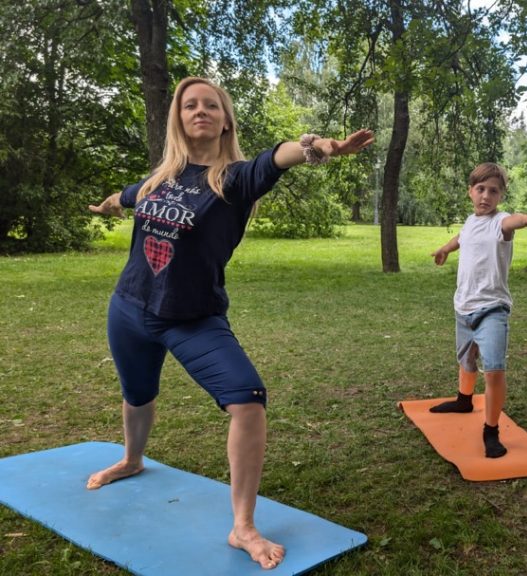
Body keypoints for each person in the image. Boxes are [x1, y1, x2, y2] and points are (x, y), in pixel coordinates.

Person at [86, 77, 373, 569]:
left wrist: (318, 147)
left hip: (192, 319)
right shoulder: (160, 180)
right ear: (178, 118)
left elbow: (279, 155)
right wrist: (109, 203)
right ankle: (132, 460)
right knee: (137, 394)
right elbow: (127, 196)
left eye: (211, 105)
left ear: (225, 119)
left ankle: (242, 527)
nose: (200, 110)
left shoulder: (235, 179)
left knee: (247, 398)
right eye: (190, 105)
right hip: (130, 309)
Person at [428, 163, 527, 458]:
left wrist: (526, 219)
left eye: (493, 191)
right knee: (466, 361)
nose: (485, 196)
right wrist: (444, 248)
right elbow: (461, 238)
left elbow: (512, 222)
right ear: (470, 191)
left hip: (493, 308)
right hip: (463, 307)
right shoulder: (470, 222)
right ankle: (463, 400)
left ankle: (490, 430)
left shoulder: (500, 222)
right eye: (480, 189)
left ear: (500, 196)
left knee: (493, 369)